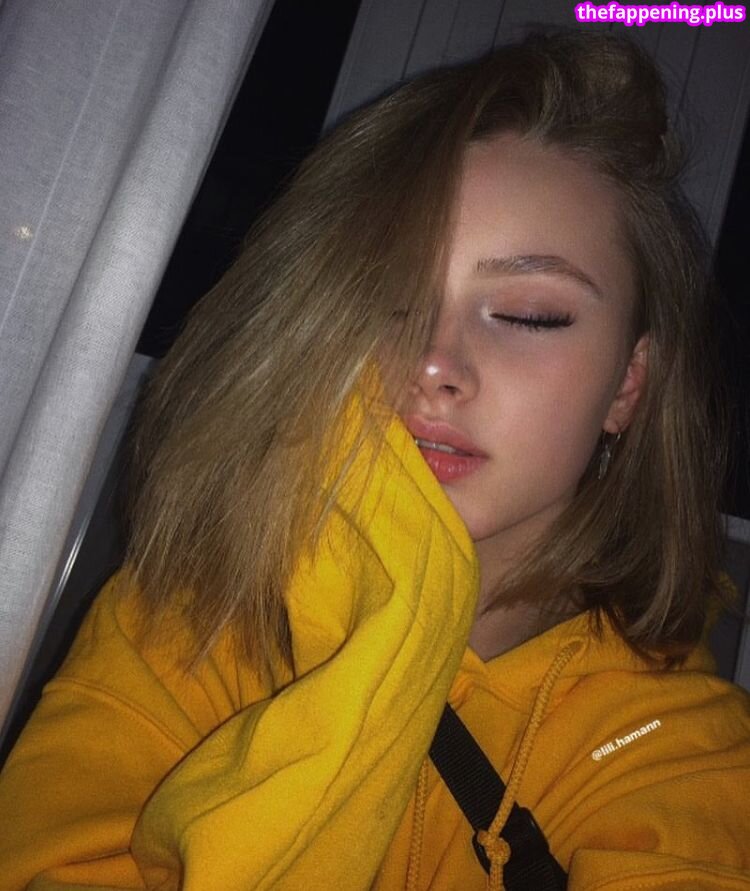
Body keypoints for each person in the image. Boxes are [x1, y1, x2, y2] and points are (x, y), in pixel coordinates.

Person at [0, 29, 748, 891]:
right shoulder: (181, 626)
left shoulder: (676, 749)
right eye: (385, 301)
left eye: (529, 315)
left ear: (628, 383)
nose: (431, 363)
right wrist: (387, 642)